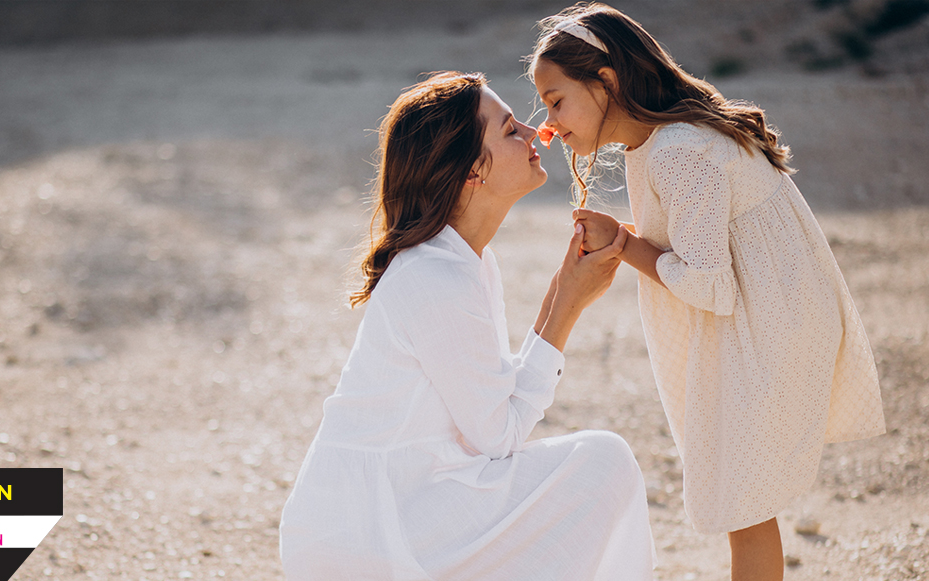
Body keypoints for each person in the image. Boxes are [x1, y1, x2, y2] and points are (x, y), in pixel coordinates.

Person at [526, 4, 886, 580]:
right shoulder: (657, 144)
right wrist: (627, 239)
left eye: (555, 100)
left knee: (743, 506)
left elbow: (708, 282)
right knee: (742, 504)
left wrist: (622, 241)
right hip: (761, 317)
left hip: (768, 327)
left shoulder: (678, 151)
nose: (548, 123)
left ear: (607, 82)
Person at [278, 71, 655, 580]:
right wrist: (567, 305)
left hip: (407, 506)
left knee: (582, 469)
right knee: (602, 462)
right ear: (471, 172)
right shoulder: (435, 275)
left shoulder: (464, 262)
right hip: (369, 529)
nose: (533, 131)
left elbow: (492, 415)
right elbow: (498, 440)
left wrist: (563, 292)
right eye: (508, 130)